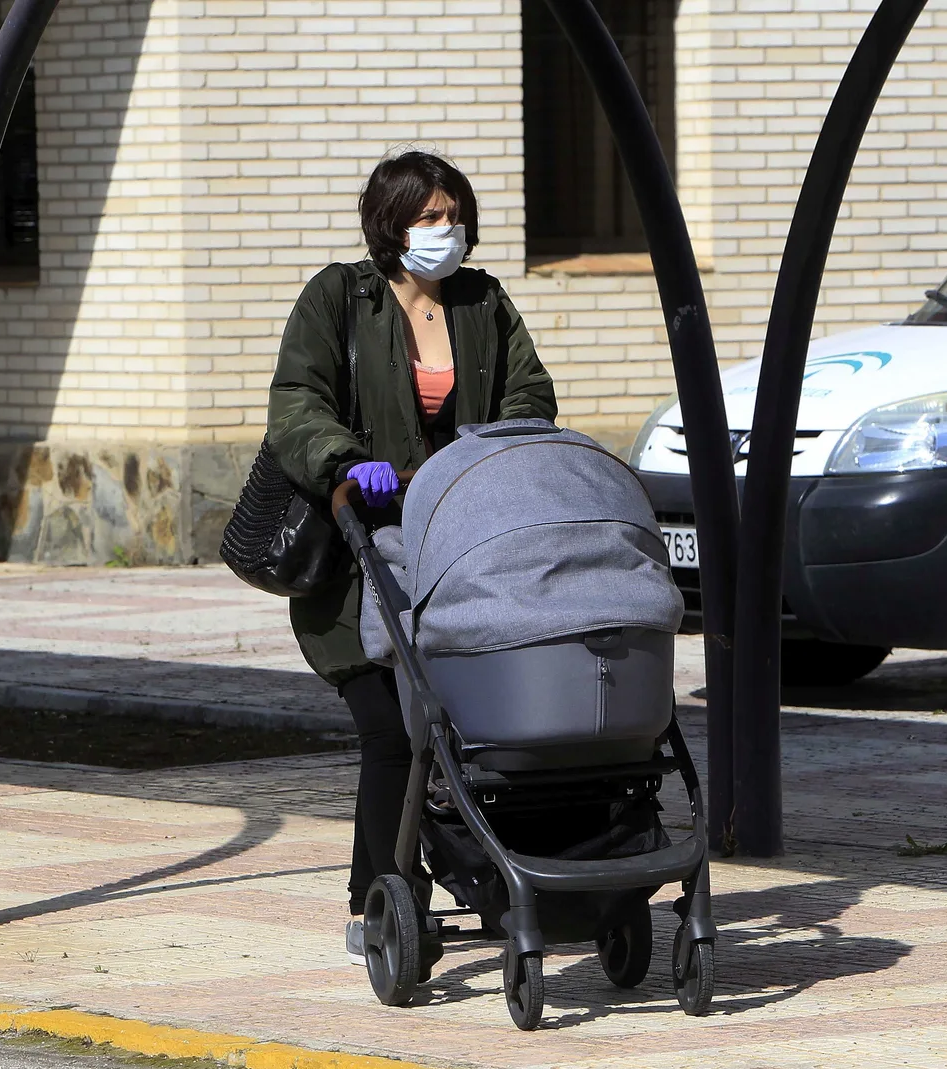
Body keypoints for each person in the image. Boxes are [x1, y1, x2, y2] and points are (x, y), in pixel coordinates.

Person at [266, 150, 558, 963]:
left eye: (454, 216)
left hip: (459, 551)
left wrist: (485, 451)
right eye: (430, 218)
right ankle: (379, 903)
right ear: (391, 225)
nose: (447, 232)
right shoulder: (340, 297)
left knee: (469, 729)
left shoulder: (483, 300)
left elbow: (531, 392)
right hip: (360, 554)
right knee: (391, 733)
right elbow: (296, 403)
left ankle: (496, 876)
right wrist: (342, 458)